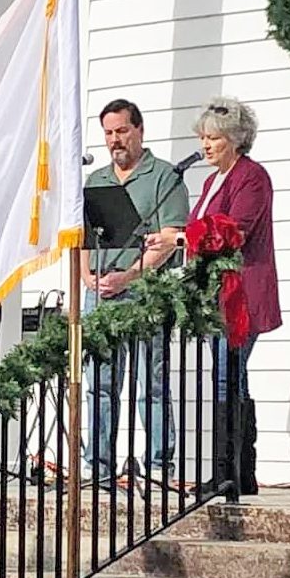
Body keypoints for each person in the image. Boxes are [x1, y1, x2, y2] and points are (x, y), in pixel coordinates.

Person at [81, 99, 189, 482]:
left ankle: (158, 468)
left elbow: (170, 239)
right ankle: (99, 468)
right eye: (109, 133)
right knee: (99, 385)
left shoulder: (164, 177)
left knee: (150, 384)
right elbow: (83, 237)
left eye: (122, 131)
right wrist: (87, 277)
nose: (115, 140)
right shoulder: (96, 181)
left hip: (145, 293)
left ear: (139, 130)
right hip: (99, 292)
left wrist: (127, 277)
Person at [188, 96, 281, 496]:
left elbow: (233, 230)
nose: (206, 145)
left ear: (236, 139)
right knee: (229, 375)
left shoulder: (252, 177)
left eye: (214, 138)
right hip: (216, 295)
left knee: (228, 373)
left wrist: (182, 237)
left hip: (242, 292)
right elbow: (199, 228)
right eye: (203, 138)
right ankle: (239, 472)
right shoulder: (212, 181)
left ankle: (229, 470)